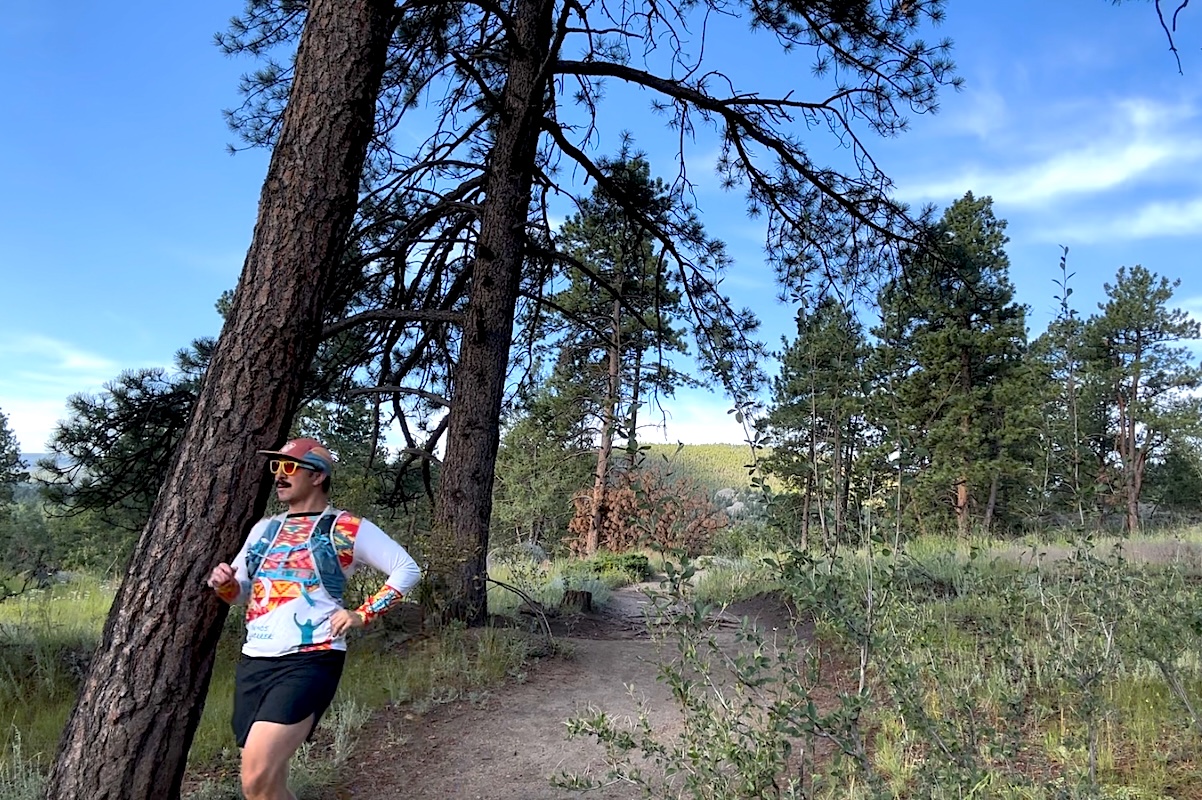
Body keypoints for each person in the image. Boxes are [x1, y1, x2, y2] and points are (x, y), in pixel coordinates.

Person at [207, 437, 421, 800]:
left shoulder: (345, 527)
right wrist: (225, 585)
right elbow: (242, 593)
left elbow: (406, 568)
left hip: (311, 658)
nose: (279, 475)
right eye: (276, 467)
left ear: (318, 475)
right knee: (267, 786)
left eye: (288, 467)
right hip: (255, 659)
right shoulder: (264, 529)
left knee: (255, 775)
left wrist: (363, 613)